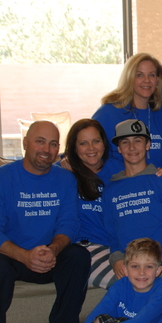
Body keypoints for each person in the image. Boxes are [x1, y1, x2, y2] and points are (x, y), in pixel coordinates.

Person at [0, 121, 90, 323]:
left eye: (53, 143)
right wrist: (24, 256)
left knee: (79, 256)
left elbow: (69, 224)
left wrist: (55, 249)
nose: (46, 149)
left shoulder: (66, 180)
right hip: (6, 252)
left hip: (47, 252)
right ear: (25, 142)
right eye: (40, 141)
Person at [102, 119, 162, 291]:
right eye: (125, 142)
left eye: (138, 141)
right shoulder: (110, 190)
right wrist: (116, 258)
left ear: (148, 145)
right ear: (119, 149)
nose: (132, 147)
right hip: (136, 277)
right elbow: (112, 235)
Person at [63, 119, 122, 289]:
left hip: (117, 246)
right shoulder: (64, 173)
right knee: (128, 283)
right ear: (74, 148)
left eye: (96, 141)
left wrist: (161, 172)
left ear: (104, 143)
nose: (91, 148)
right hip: (84, 248)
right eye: (83, 143)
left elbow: (145, 178)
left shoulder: (120, 169)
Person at [93, 53, 162, 171]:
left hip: (155, 186)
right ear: (129, 78)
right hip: (117, 186)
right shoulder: (107, 114)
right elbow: (87, 148)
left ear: (157, 80)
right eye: (139, 75)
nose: (147, 80)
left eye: (151, 75)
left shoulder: (161, 117)